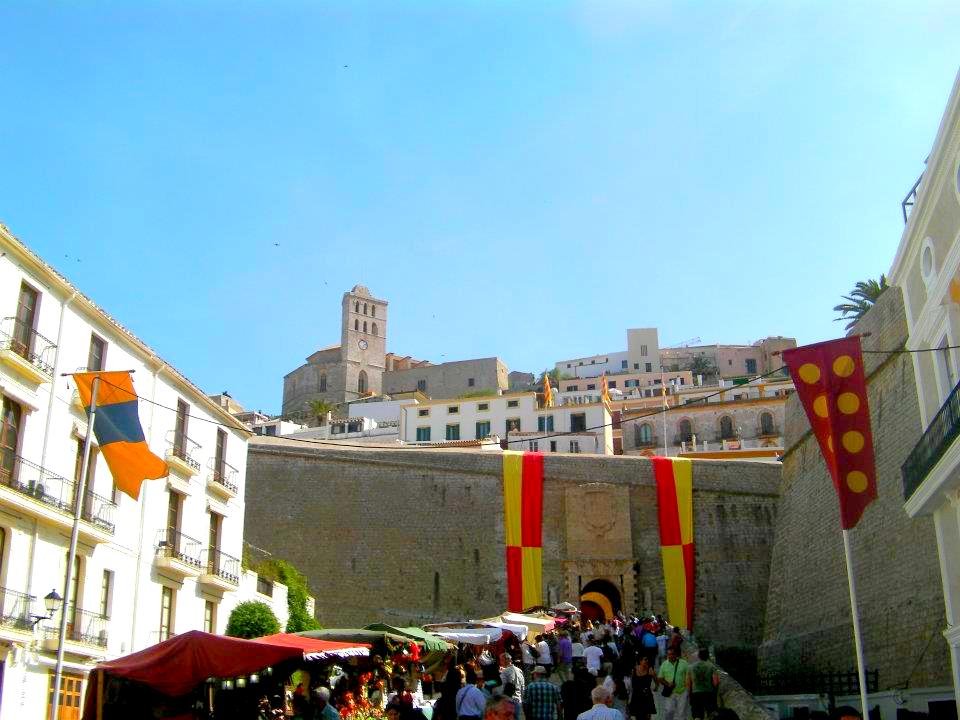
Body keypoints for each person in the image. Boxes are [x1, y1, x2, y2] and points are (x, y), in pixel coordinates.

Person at [686, 648, 719, 720]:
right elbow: (716, 682)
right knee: (711, 714)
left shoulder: (691, 667)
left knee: (697, 715)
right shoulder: (712, 666)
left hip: (696, 694)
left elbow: (688, 683)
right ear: (707, 656)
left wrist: (689, 695)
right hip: (708, 693)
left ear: (698, 656)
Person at [657, 647, 689, 720]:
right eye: (668, 654)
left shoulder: (684, 663)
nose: (670, 656)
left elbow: (688, 677)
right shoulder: (664, 664)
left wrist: (688, 690)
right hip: (670, 693)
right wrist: (668, 684)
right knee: (669, 711)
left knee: (682, 712)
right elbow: (660, 678)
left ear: (676, 655)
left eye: (672, 654)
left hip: (682, 692)